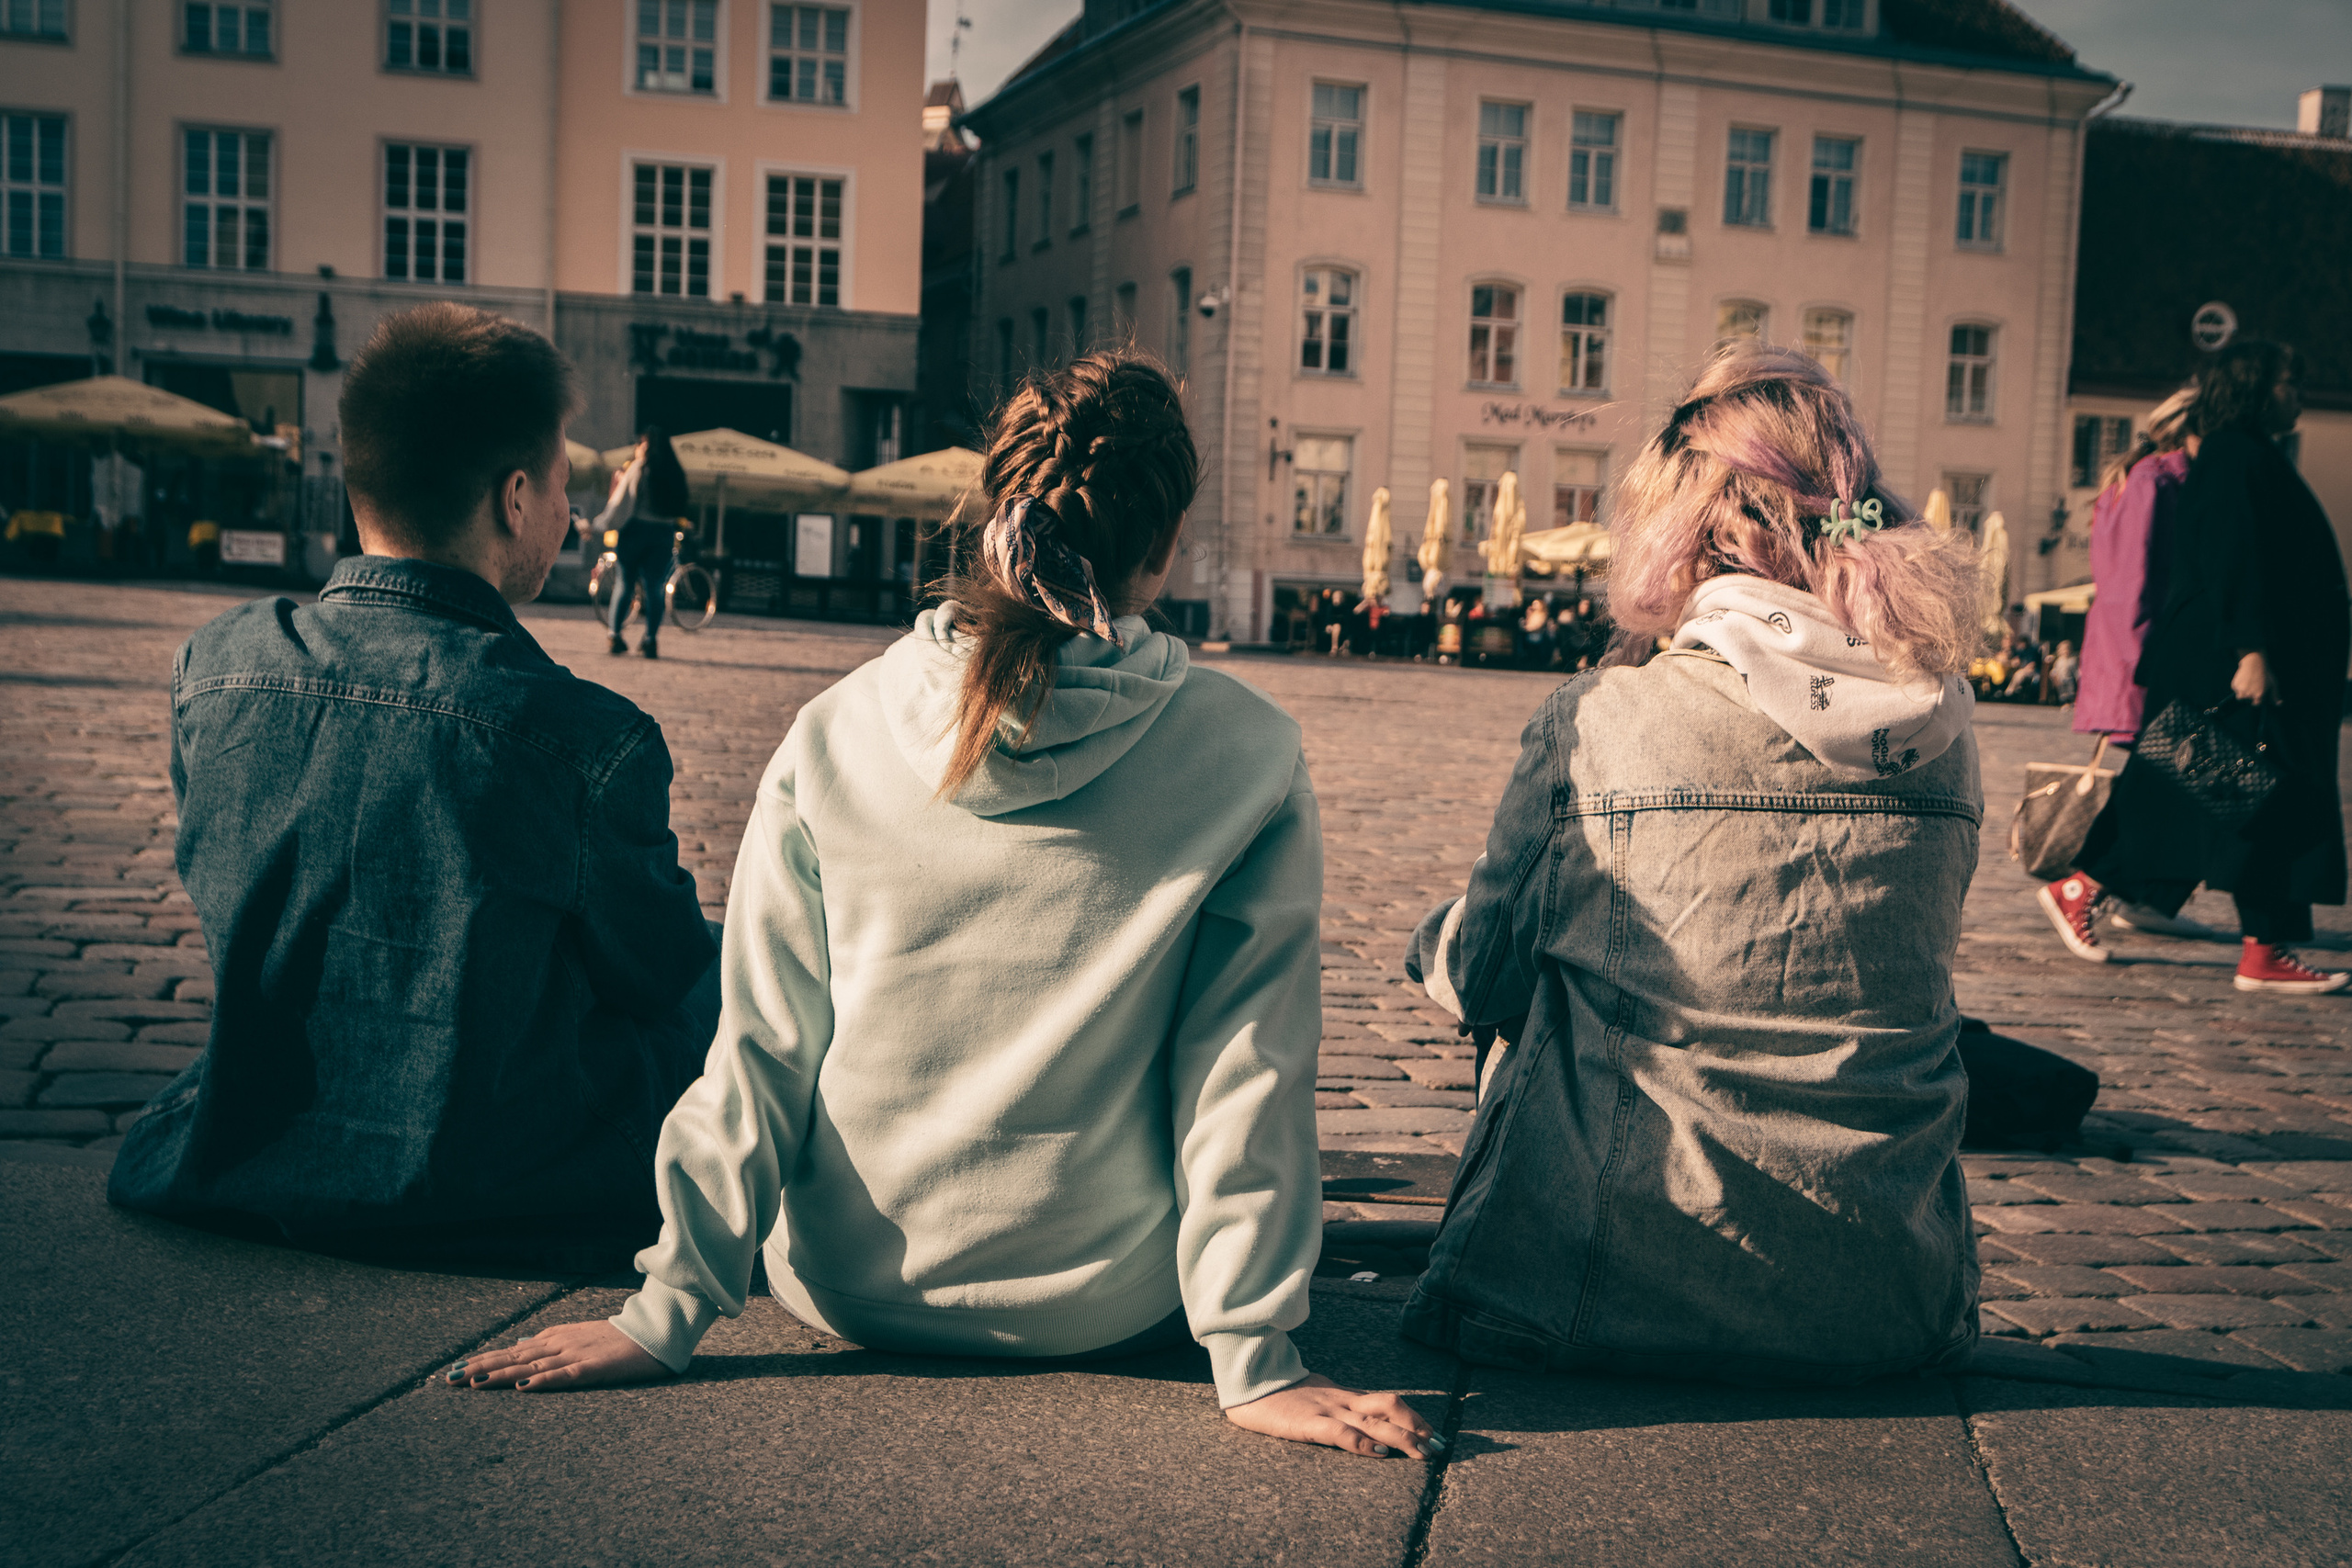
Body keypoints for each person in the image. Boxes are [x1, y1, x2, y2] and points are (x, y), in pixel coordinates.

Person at [450, 352, 1442, 1461]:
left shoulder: (836, 726)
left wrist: (668, 1308)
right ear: (1162, 550)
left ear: (986, 512)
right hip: (1100, 1304)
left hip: (840, 1283)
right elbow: (1243, 1071)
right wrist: (1257, 1359)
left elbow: (765, 1048)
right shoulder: (1246, 751)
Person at [1401, 343, 1984, 1385]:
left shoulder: (1599, 718)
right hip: (1896, 1307)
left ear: (1681, 530)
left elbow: (1483, 979)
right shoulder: (1943, 728)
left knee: (1514, 962)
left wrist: (1433, 942)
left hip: (1594, 1294)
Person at [108, 304, 720, 1267]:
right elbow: (657, 973)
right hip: (502, 1171)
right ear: (515, 498)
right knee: (731, 973)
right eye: (562, 482)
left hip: (242, 1144)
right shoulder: (588, 736)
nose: (566, 511)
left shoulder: (214, 667)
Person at [2052, 341, 2351, 991]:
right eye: (2288, 382)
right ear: (2254, 387)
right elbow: (2228, 558)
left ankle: (2257, 947)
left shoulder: (2245, 452)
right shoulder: (2232, 455)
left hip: (2240, 664)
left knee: (2230, 801)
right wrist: (2249, 648)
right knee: (2215, 796)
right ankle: (2089, 888)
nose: (2297, 394)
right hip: (2228, 667)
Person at [2069, 391, 2207, 934]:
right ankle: (2097, 886)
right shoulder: (2154, 479)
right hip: (2147, 654)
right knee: (2173, 778)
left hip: (2152, 652)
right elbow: (2132, 582)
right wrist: (2141, 666)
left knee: (2179, 777)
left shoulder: (2156, 478)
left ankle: (2138, 892)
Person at [593, 426, 693, 658]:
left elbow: (620, 504)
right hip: (663, 533)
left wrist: (600, 524)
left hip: (635, 531)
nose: (637, 448)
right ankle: (650, 640)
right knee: (655, 587)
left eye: (640, 444)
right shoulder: (674, 471)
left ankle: (614, 636)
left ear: (647, 446)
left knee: (624, 583)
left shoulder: (640, 468)